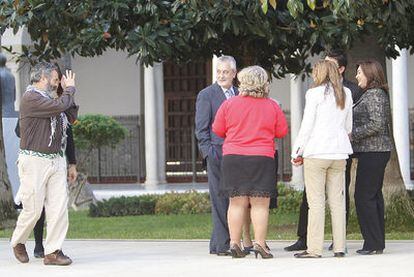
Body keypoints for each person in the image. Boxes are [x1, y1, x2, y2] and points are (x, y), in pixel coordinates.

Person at [285, 49, 361, 252]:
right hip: (339, 154)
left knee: (316, 203)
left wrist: (296, 152)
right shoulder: (346, 93)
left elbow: (307, 126)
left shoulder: (314, 93)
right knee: (338, 203)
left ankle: (314, 249)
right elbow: (348, 128)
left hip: (317, 153)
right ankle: (340, 247)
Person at [212, 65, 288, 258]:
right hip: (262, 158)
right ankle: (260, 244)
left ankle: (235, 243)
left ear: (242, 82)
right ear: (264, 83)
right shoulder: (271, 105)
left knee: (236, 204)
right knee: (260, 205)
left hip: (234, 158)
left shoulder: (229, 104)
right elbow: (281, 132)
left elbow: (218, 130)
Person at [11, 62, 78, 266]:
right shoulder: (30, 98)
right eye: (55, 79)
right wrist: (69, 90)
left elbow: (71, 116)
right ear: (42, 78)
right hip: (33, 161)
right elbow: (59, 106)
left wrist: (65, 91)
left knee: (58, 208)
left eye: (59, 81)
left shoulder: (53, 101)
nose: (58, 83)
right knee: (33, 209)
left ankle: (52, 252)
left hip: (56, 159)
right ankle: (18, 241)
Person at [195, 55, 238, 256]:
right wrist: (208, 152)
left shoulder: (239, 93)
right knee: (220, 199)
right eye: (218, 71)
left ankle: (217, 243)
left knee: (232, 199)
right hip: (217, 152)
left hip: (237, 153)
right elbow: (201, 128)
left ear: (234, 73)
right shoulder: (207, 95)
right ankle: (223, 245)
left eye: (225, 72)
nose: (221, 75)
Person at [352, 60, 392, 255]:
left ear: (370, 73)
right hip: (374, 151)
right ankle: (376, 243)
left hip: (374, 151)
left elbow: (377, 123)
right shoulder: (371, 93)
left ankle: (372, 243)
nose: (357, 76)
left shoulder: (375, 94)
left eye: (360, 72)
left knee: (364, 196)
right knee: (373, 196)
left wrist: (352, 134)